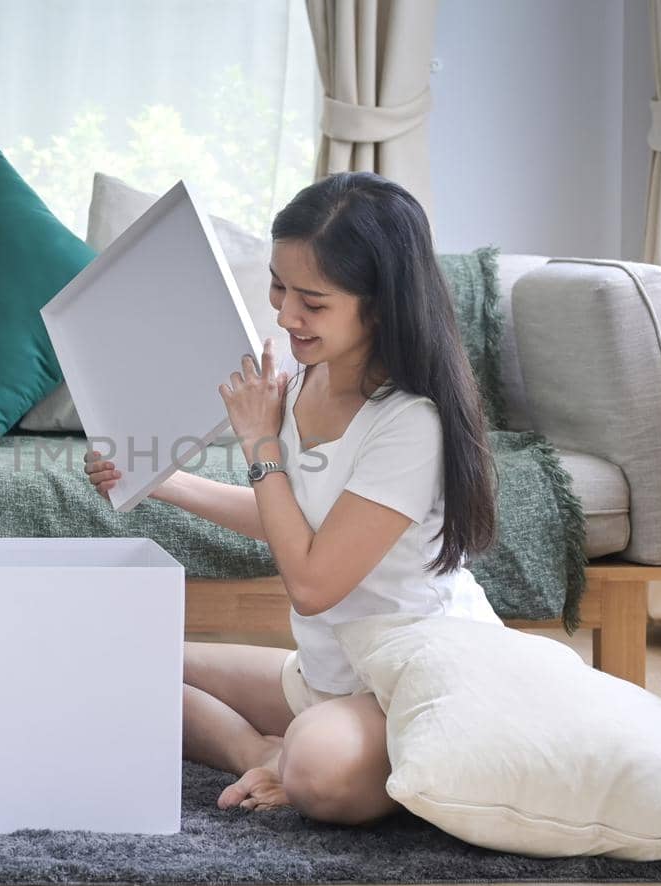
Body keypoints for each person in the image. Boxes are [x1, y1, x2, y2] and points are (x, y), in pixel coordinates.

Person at [85, 172, 499, 825]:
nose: (284, 314)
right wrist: (156, 480)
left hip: (406, 680)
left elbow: (309, 581)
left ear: (381, 304)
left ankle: (303, 757)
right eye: (279, 286)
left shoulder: (409, 422)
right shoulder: (309, 380)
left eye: (312, 299)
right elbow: (292, 520)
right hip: (327, 671)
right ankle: (262, 749)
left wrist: (259, 443)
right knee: (125, 661)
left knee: (321, 773)